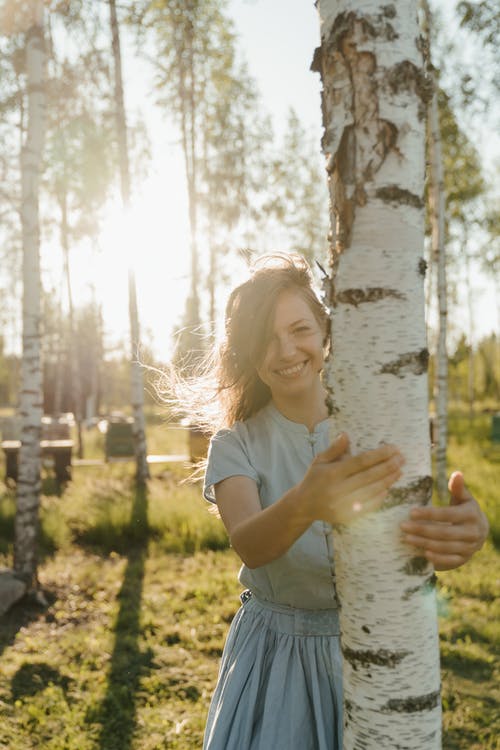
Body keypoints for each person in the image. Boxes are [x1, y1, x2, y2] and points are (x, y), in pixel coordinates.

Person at [194, 253, 489, 750]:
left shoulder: (379, 428)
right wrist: (306, 501)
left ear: (327, 330)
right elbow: (250, 542)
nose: (285, 350)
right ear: (247, 352)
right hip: (277, 659)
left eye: (299, 329)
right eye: (265, 338)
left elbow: (412, 537)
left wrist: (465, 532)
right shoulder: (235, 444)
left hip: (380, 653)